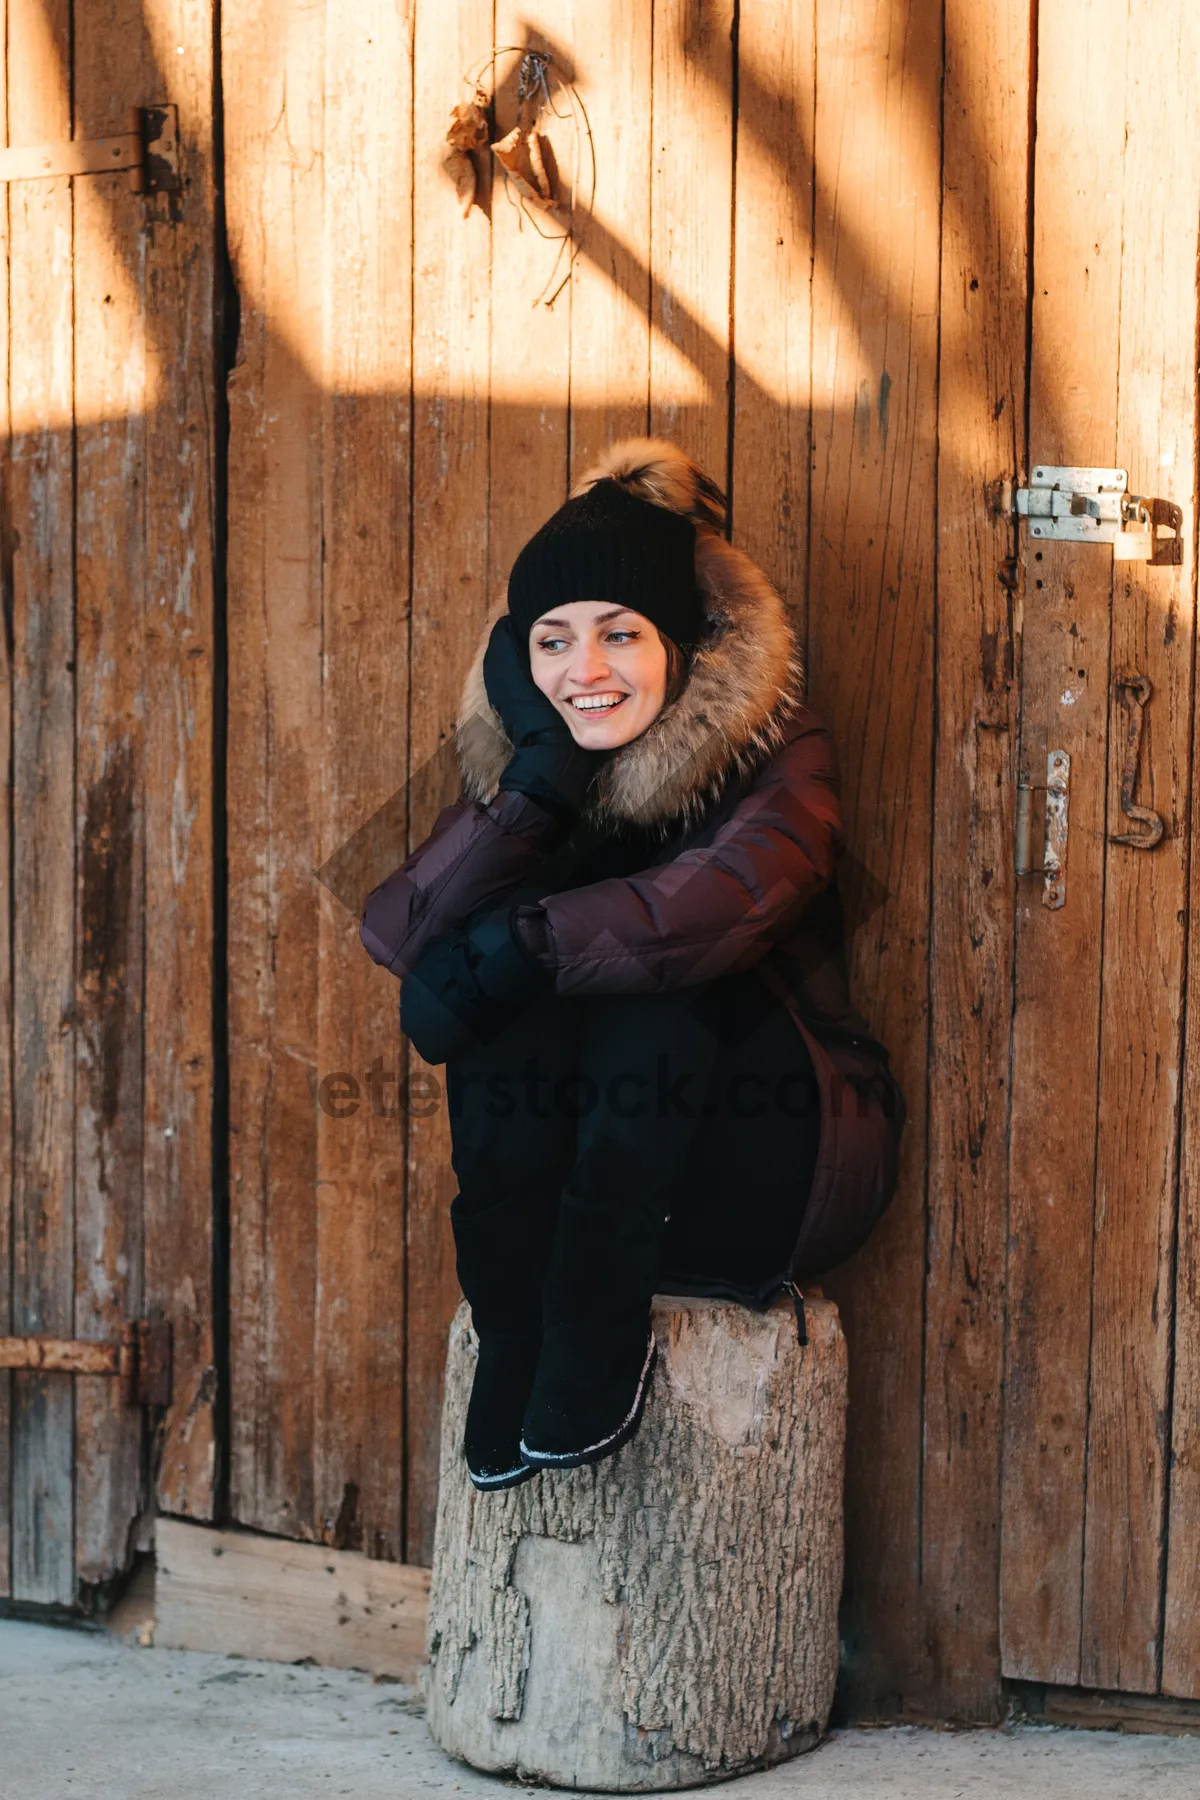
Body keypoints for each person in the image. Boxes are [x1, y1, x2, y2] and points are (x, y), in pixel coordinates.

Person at [360, 439, 905, 1492]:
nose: (587, 670)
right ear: (521, 657)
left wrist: (524, 943)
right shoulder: (523, 748)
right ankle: (517, 1328)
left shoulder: (778, 749)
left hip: (781, 1158)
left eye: (621, 634)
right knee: (502, 1012)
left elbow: (720, 905)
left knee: (650, 977)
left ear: (682, 643)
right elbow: (397, 930)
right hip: (584, 1175)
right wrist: (539, 786)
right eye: (554, 642)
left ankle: (597, 1324)